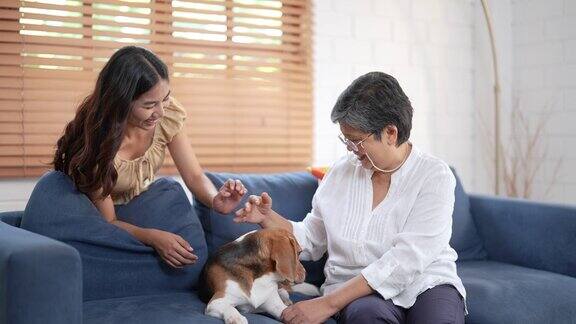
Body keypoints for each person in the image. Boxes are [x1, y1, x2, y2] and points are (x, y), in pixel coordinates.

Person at [234, 72, 467, 324]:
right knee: (366, 316)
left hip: (426, 282)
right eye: (346, 139)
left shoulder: (434, 175)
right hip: (355, 293)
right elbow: (311, 239)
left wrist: (326, 304)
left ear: (390, 132)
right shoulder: (339, 174)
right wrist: (267, 217)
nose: (350, 149)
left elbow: (408, 259)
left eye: (356, 141)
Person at [52, 46, 247, 269]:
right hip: (101, 220)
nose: (161, 112)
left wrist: (215, 201)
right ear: (121, 102)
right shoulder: (99, 150)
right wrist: (153, 237)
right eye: (149, 105)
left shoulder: (166, 115)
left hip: (134, 206)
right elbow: (109, 221)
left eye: (165, 99)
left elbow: (193, 175)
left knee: (171, 195)